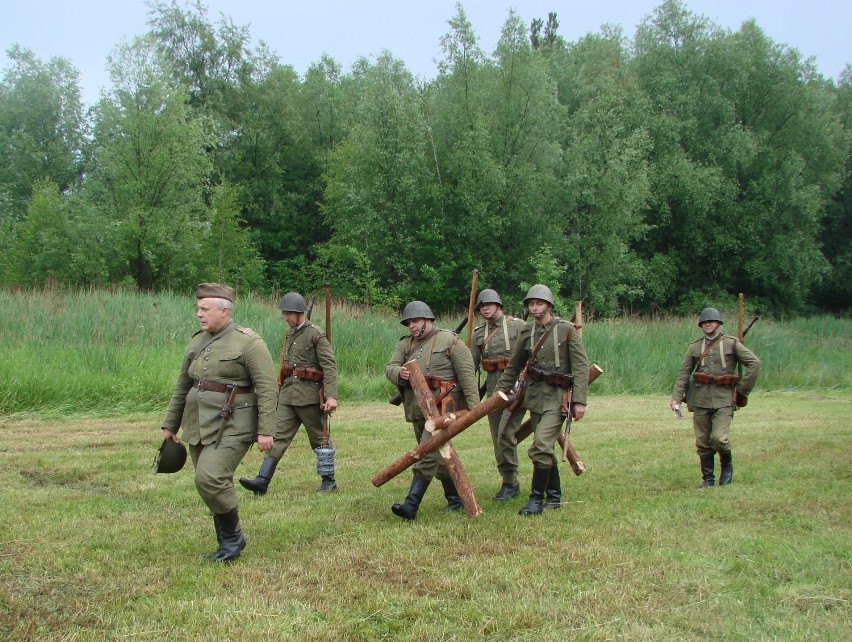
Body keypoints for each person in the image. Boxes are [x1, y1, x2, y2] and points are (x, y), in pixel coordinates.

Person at [160, 283, 278, 562]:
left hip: (235, 425)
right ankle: (227, 539)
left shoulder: (249, 343)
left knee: (210, 477)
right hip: (198, 424)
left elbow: (268, 388)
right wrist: (170, 425)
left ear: (224, 311)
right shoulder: (196, 341)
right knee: (205, 482)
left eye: (205, 309)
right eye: (198, 308)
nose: (199, 314)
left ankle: (233, 540)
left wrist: (265, 431)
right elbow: (182, 386)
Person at [496, 284, 589, 516]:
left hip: (558, 398)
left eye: (539, 303)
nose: (535, 308)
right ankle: (554, 496)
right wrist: (500, 393)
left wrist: (580, 401)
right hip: (535, 396)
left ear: (549, 305)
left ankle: (536, 500)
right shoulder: (527, 332)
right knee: (545, 447)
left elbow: (581, 366)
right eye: (531, 304)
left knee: (540, 447)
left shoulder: (566, 330)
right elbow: (514, 365)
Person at [385, 301, 480, 520]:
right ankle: (455, 499)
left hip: (443, 410)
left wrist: (474, 408)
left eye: (416, 321)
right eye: (409, 322)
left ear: (428, 320)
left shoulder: (449, 340)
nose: (412, 326)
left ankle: (411, 506)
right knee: (439, 457)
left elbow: (467, 375)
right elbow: (389, 368)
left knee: (426, 454)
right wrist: (400, 373)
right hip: (417, 408)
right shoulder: (405, 345)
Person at [239, 292, 339, 495]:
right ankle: (262, 480)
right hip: (287, 396)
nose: (285, 317)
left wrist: (331, 396)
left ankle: (328, 480)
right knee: (277, 435)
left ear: (299, 313)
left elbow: (329, 366)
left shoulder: (315, 334)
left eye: (288, 314)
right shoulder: (289, 333)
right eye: (284, 313)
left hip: (309, 397)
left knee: (319, 440)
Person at [671, 307, 761, 488]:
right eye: (704, 322)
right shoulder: (695, 347)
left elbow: (754, 364)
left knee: (719, 438)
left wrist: (742, 389)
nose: (708, 324)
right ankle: (708, 480)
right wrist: (676, 397)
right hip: (700, 398)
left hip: (724, 399)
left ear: (718, 323)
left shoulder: (731, 344)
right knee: (703, 441)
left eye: (711, 321)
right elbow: (684, 373)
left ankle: (727, 465)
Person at [470, 288, 527, 501]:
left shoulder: (519, 326)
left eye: (489, 305)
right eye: (482, 306)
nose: (485, 308)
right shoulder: (477, 333)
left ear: (499, 305)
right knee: (498, 437)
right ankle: (509, 481)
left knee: (505, 434)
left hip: (517, 388)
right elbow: (471, 366)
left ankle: (522, 481)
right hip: (493, 390)